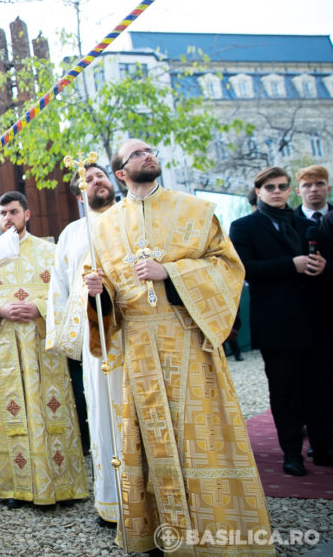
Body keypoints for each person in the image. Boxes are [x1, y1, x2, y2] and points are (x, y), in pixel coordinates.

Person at [83, 139, 271, 554]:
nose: (148, 155)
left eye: (149, 150)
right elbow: (107, 297)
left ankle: (215, 528)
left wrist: (170, 272)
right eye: (136, 154)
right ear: (121, 173)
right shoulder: (104, 226)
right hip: (137, 346)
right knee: (148, 439)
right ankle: (161, 532)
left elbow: (228, 266)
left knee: (198, 434)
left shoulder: (195, 210)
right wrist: (97, 292)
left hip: (186, 339)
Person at [0, 191, 87, 509]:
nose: (8, 218)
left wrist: (39, 307)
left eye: (14, 212)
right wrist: (0, 310)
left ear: (27, 214)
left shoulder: (50, 251)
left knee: (50, 409)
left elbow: (66, 293)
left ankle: (60, 486)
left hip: (44, 347)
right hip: (6, 346)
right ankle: (17, 489)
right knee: (11, 410)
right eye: (3, 213)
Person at [229, 167, 330, 475]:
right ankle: (291, 453)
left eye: (282, 186)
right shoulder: (243, 226)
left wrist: (322, 266)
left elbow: (320, 266)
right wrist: (290, 264)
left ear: (289, 190)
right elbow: (243, 269)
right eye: (270, 187)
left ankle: (323, 448)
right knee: (285, 393)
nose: (276, 191)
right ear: (258, 191)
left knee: (318, 389)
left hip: (313, 320)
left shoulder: (308, 226)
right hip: (275, 323)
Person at [45, 164, 121, 527]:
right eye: (88, 180)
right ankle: (113, 503)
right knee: (103, 415)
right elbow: (59, 286)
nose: (97, 181)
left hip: (134, 333)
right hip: (95, 339)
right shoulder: (72, 233)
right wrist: (66, 339)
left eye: (100, 175)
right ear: (80, 196)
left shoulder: (130, 218)